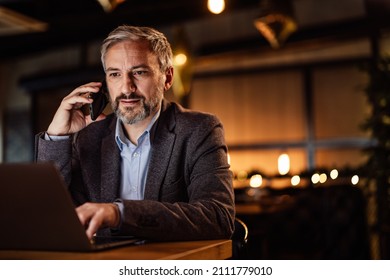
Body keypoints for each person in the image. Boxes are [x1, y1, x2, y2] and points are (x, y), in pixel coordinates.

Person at [35, 25, 235, 241]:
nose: (126, 87)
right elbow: (44, 213)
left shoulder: (199, 130)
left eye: (139, 72)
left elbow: (218, 217)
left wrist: (119, 214)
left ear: (167, 78)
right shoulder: (88, 137)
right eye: (115, 74)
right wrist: (57, 136)